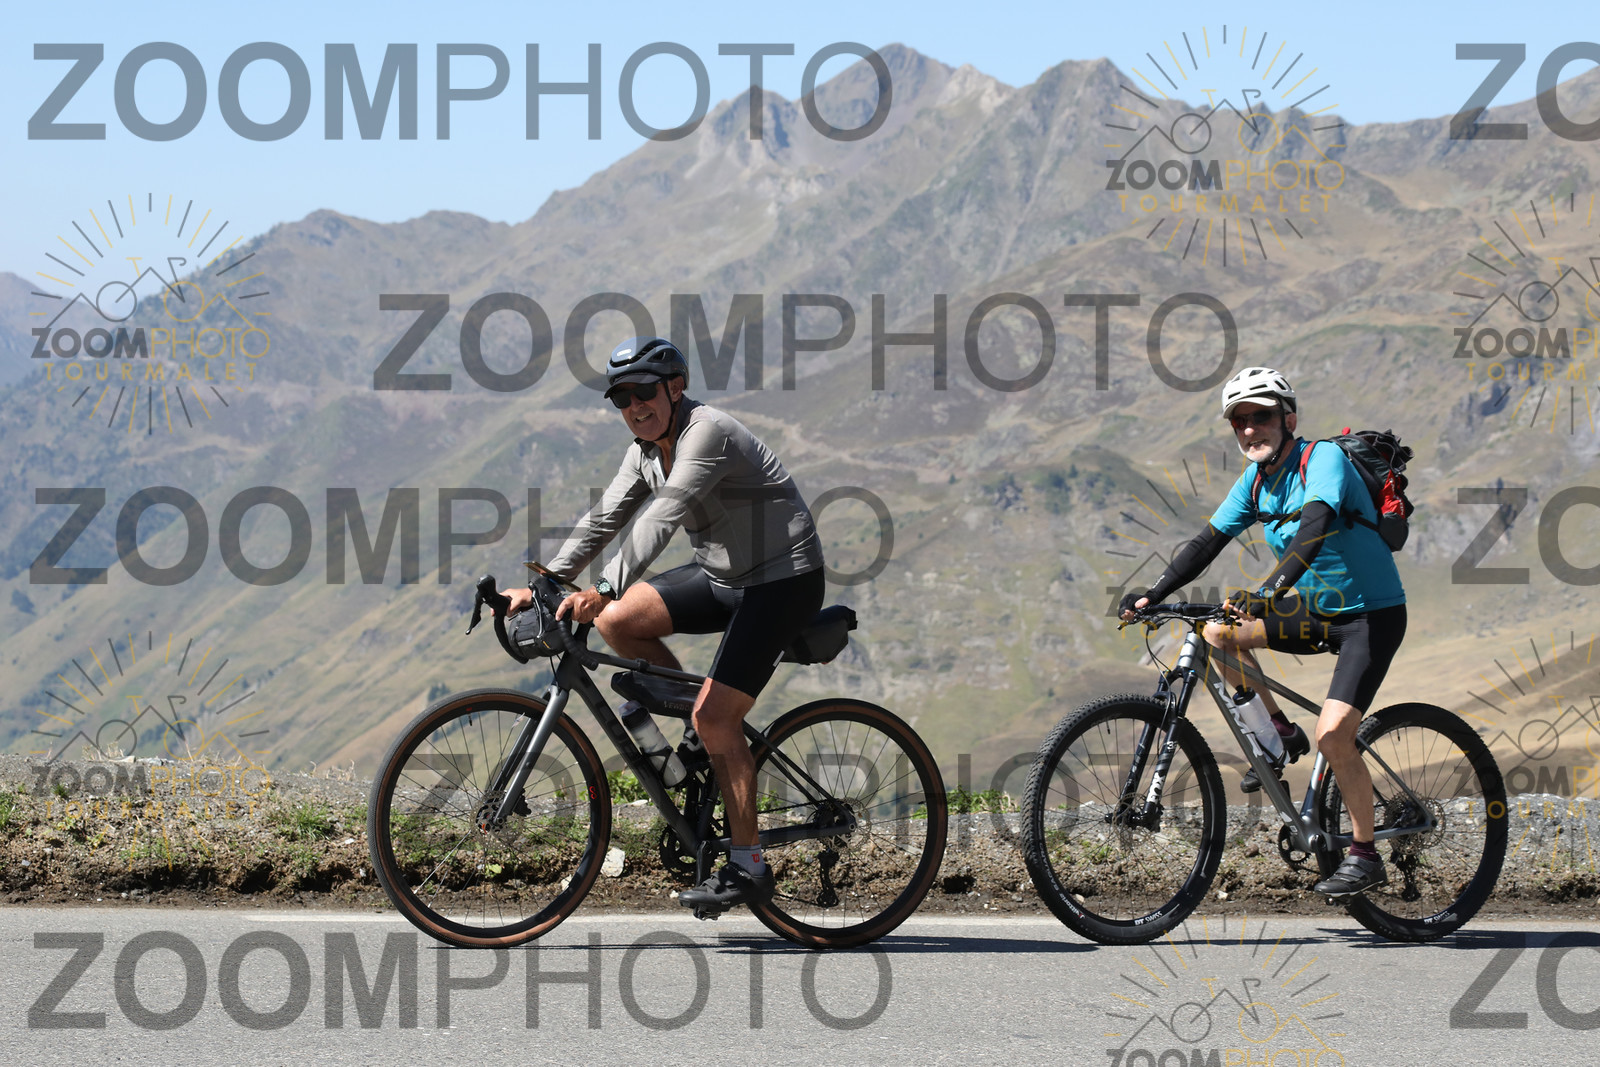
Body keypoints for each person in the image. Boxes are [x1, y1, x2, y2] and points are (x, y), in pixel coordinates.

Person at [503, 336, 826, 911]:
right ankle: (697, 749)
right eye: (621, 398)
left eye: (644, 391)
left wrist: (603, 587)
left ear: (675, 387)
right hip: (723, 575)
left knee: (716, 717)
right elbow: (605, 517)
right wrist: (544, 582)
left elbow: (664, 516)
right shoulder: (645, 450)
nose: (635, 406)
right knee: (619, 623)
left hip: (783, 580)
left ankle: (748, 864)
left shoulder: (707, 433)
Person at [1118, 366, 1407, 899]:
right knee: (1218, 633)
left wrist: (1269, 591)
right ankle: (1277, 735)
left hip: (1370, 616)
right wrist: (1152, 594)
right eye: (1240, 421)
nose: (1251, 429)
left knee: (1334, 735)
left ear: (1288, 419)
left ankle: (1365, 855)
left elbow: (1315, 526)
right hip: (1315, 610)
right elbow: (1206, 542)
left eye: (1262, 417)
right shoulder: (1254, 481)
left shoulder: (1322, 459)